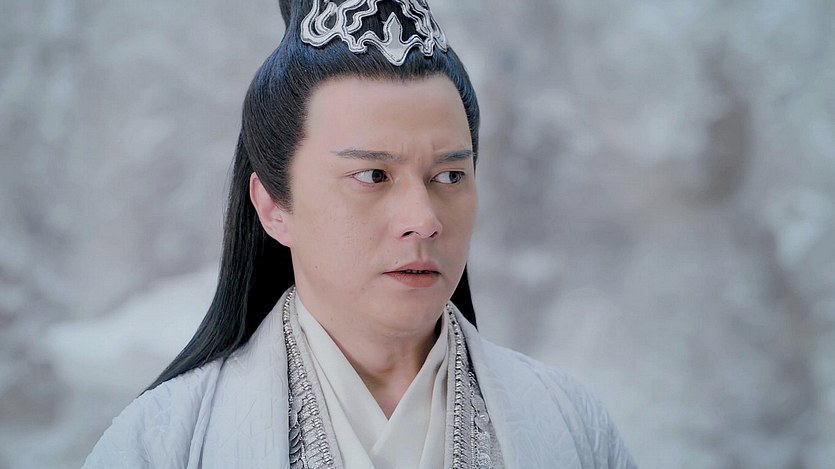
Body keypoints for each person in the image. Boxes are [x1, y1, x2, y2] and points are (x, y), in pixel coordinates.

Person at [85, 1, 636, 467]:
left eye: (450, 175)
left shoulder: (570, 425)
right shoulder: (161, 444)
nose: (424, 219)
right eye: (373, 176)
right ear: (273, 206)